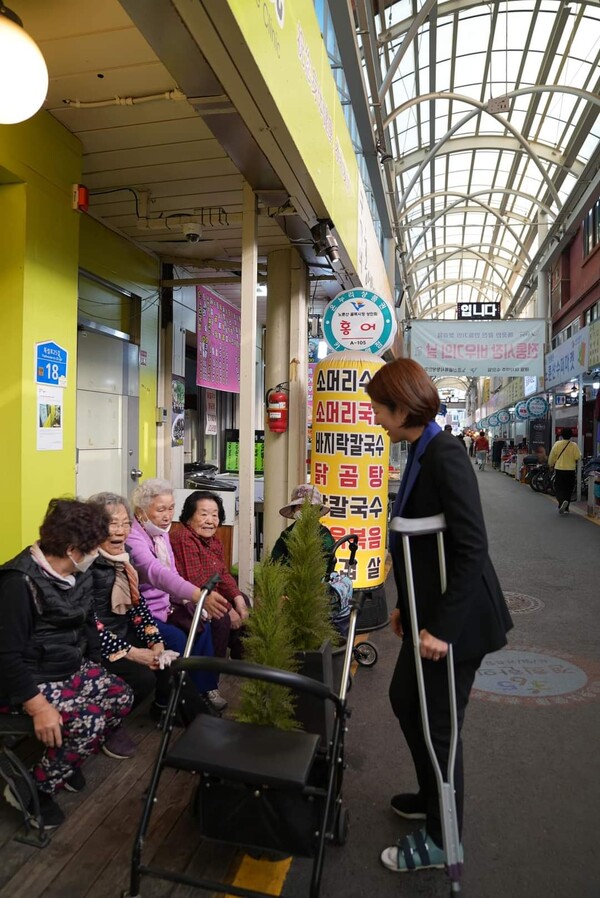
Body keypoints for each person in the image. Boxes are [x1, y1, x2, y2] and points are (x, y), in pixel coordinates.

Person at [365, 358, 512, 874]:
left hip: (458, 624)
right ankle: (432, 798)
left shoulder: (445, 454)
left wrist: (443, 628)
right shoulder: (420, 448)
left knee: (441, 727)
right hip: (427, 613)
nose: (375, 419)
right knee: (406, 700)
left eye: (378, 409)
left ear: (401, 407)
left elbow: (471, 547)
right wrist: (405, 606)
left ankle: (443, 841)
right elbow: (421, 545)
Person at [0, 499, 134, 829]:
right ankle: (32, 790)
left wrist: (94, 667)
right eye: (92, 547)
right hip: (27, 679)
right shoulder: (19, 583)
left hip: (65, 665)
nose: (97, 553)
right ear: (72, 549)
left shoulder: (78, 573)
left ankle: (64, 760)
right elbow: (6, 657)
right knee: (89, 722)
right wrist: (38, 708)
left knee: (120, 696)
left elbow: (87, 624)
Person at [126, 479, 230, 713]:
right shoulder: (133, 537)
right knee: (177, 641)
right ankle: (166, 703)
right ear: (141, 512)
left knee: (200, 623)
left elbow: (172, 572)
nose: (167, 516)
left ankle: (204, 690)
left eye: (171, 508)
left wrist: (187, 601)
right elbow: (156, 572)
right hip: (145, 614)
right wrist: (196, 595)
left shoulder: (160, 534)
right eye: (161, 509)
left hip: (166, 607)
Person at [89, 492, 181, 731]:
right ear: (93, 527)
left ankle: (168, 710)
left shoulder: (123, 558)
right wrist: (132, 653)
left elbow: (138, 606)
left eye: (125, 524)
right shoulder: (86, 564)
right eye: (113, 524)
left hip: (120, 632)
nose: (120, 531)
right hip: (94, 644)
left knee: (167, 656)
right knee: (143, 677)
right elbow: (89, 625)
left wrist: (154, 642)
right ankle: (103, 727)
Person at [170, 491, 249, 665]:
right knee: (221, 617)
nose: (210, 520)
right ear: (189, 517)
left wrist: (237, 599)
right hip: (188, 597)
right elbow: (195, 580)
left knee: (243, 600)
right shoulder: (184, 538)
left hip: (209, 591)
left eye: (214, 515)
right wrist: (229, 609)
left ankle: (240, 664)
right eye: (204, 514)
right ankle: (212, 670)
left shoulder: (214, 541)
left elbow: (223, 574)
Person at [272, 484, 352, 636]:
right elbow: (275, 563)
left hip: (315, 589)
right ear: (294, 510)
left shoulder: (324, 536)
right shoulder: (286, 535)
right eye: (300, 507)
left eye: (310, 507)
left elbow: (326, 565)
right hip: (287, 588)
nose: (305, 511)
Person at [548, 428, 581, 514]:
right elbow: (578, 457)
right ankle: (566, 508)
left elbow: (552, 456)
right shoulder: (574, 445)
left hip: (560, 469)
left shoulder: (557, 444)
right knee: (568, 488)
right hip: (570, 470)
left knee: (559, 487)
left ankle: (561, 502)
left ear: (561, 435)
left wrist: (550, 464)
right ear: (571, 436)